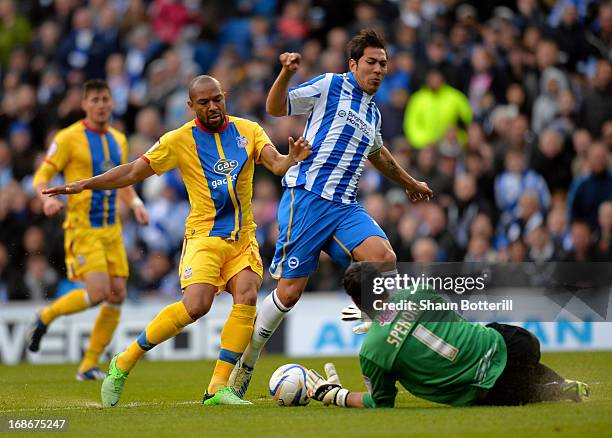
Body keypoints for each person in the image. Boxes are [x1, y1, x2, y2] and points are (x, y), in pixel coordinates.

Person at [43, 75, 311, 406]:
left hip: (243, 237)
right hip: (204, 238)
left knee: (247, 294)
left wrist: (291, 158)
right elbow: (131, 173)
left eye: (217, 99)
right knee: (197, 306)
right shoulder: (178, 140)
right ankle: (124, 361)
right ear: (190, 106)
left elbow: (276, 164)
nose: (212, 107)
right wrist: (84, 184)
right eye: (204, 102)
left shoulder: (249, 130)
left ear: (224, 97)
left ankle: (217, 387)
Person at [228, 29, 433, 398]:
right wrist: (286, 73)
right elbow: (276, 107)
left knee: (383, 258)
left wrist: (408, 181)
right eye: (371, 62)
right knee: (289, 294)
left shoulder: (372, 110)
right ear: (353, 64)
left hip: (344, 207)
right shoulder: (329, 86)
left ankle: (378, 341)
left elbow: (378, 153)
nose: (378, 70)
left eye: (383, 64)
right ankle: (248, 358)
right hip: (307, 198)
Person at [305, 262, 590, 408]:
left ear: (355, 303)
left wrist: (338, 396)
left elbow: (380, 403)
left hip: (484, 389)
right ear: (384, 283)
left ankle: (555, 390)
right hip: (515, 343)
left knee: (520, 390)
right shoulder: (419, 290)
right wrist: (389, 318)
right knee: (516, 356)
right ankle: (563, 383)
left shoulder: (372, 351)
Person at [28, 79, 149, 381]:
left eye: (105, 99)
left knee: (118, 294)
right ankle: (46, 315)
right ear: (84, 104)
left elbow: (120, 181)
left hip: (112, 230)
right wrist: (46, 200)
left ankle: (88, 365)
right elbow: (42, 174)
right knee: (97, 293)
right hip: (83, 228)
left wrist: (134, 202)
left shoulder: (119, 140)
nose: (101, 105)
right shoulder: (68, 138)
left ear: (112, 102)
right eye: (94, 99)